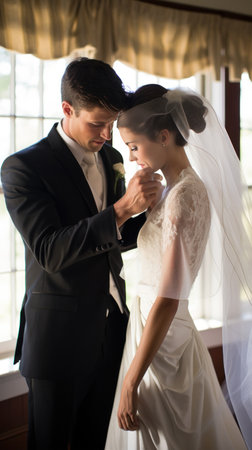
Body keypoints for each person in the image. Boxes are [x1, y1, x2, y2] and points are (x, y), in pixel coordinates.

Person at [0, 59, 162, 450]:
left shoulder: (110, 159)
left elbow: (119, 239)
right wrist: (123, 209)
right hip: (58, 342)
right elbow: (50, 250)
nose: (108, 134)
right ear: (67, 109)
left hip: (112, 333)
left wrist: (157, 211)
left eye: (112, 122)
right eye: (97, 123)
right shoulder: (24, 167)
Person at [105, 84, 252, 449]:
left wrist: (129, 382)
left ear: (165, 136)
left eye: (135, 146)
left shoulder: (184, 195)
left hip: (163, 335)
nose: (133, 156)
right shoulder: (170, 191)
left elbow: (168, 299)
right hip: (153, 331)